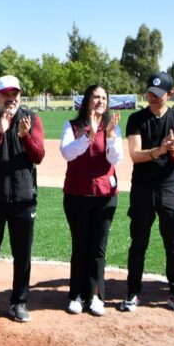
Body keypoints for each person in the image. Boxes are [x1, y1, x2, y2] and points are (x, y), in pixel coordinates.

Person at [0, 74, 46, 324]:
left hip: (24, 199)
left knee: (23, 254)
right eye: (6, 94)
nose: (11, 98)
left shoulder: (31, 119)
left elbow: (38, 156)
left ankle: (19, 302)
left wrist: (25, 137)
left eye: (15, 94)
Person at [123, 71, 174, 313]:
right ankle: (132, 292)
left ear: (170, 95)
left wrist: (173, 150)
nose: (153, 97)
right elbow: (135, 154)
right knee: (138, 241)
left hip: (169, 187)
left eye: (159, 94)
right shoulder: (136, 119)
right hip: (142, 187)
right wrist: (160, 150)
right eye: (151, 93)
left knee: (173, 242)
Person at [60, 85, 121, 317]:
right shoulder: (73, 126)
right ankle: (76, 295)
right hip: (77, 196)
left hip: (105, 198)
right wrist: (88, 136)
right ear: (87, 101)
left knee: (98, 249)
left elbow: (116, 158)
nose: (100, 101)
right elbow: (67, 153)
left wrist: (112, 137)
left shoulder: (112, 127)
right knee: (80, 247)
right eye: (96, 97)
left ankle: (95, 295)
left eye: (104, 98)